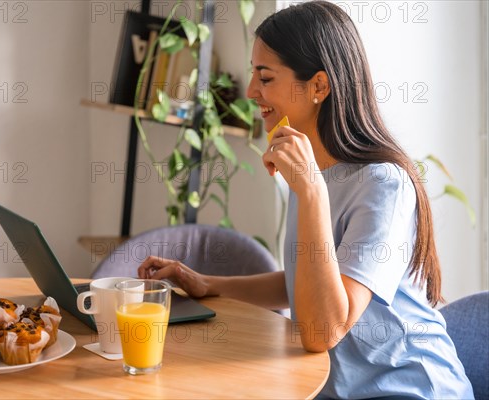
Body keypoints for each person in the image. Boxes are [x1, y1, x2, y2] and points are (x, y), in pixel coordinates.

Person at [138, 1, 473, 398]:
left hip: (410, 390)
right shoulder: (314, 173)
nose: (250, 92)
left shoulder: (383, 185)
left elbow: (322, 331)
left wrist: (311, 191)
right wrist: (206, 284)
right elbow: (308, 283)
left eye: (265, 77)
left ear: (318, 86)